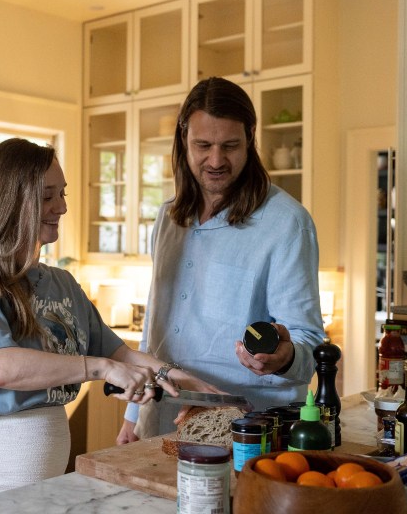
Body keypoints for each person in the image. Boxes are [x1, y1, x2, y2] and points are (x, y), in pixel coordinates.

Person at [0, 138, 217, 511]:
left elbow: (119, 351)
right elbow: (0, 368)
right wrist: (104, 369)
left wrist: (178, 377)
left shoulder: (62, 284)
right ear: (11, 202)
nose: (61, 207)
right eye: (46, 196)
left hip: (41, 485)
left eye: (62, 194)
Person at [118, 77, 326, 444]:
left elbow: (309, 339)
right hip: (160, 420)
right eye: (203, 145)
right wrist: (133, 416)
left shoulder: (286, 223)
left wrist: (285, 356)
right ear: (184, 141)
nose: (216, 160)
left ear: (251, 141)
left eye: (230, 146)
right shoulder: (168, 217)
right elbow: (154, 325)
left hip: (247, 432)